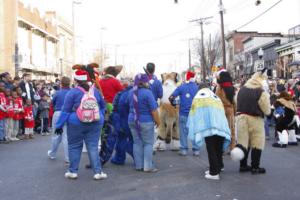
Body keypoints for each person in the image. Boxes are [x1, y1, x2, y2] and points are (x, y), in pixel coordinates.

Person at [55, 69, 107, 180]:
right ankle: (98, 172)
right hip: (95, 122)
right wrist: (99, 117)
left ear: (75, 80)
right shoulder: (95, 92)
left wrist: (59, 125)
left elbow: (65, 111)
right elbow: (103, 106)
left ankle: (73, 171)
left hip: (75, 122)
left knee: (74, 146)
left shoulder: (72, 92)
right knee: (93, 146)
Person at [231, 68, 271, 174]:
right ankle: (255, 167)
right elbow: (266, 110)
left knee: (244, 143)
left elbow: (236, 101)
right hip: (255, 119)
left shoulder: (241, 89)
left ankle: (243, 165)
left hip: (240, 119)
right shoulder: (261, 91)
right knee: (257, 142)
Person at [187, 84, 231, 180]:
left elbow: (193, 113)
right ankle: (218, 167)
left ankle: (214, 172)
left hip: (208, 126)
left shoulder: (198, 97)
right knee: (218, 148)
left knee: (211, 149)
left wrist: (194, 126)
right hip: (221, 126)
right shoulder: (215, 97)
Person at [128, 73, 160, 172]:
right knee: (148, 143)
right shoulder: (148, 93)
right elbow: (154, 110)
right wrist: (158, 122)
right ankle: (148, 166)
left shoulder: (130, 92)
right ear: (146, 82)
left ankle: (139, 165)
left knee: (137, 142)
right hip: (146, 121)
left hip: (132, 120)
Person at [169, 71, 200, 156]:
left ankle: (184, 150)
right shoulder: (198, 88)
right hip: (195, 114)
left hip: (183, 113)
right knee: (195, 132)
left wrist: (174, 104)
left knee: (183, 132)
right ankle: (196, 150)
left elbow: (171, 97)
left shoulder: (181, 87)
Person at [47, 77, 71, 164]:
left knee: (56, 135)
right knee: (66, 136)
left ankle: (52, 154)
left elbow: (52, 103)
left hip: (58, 113)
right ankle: (68, 158)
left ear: (61, 83)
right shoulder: (71, 92)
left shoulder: (58, 93)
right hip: (69, 114)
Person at [111, 83, 134, 165]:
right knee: (133, 139)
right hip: (126, 118)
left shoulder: (119, 94)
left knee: (121, 138)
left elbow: (115, 107)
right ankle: (138, 158)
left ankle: (119, 158)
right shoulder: (132, 94)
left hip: (118, 119)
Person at [215, 70, 236, 150]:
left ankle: (222, 148)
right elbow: (234, 102)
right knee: (231, 129)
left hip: (221, 111)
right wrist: (234, 111)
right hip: (230, 110)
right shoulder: (231, 87)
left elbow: (216, 99)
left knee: (222, 130)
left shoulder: (219, 88)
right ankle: (232, 147)